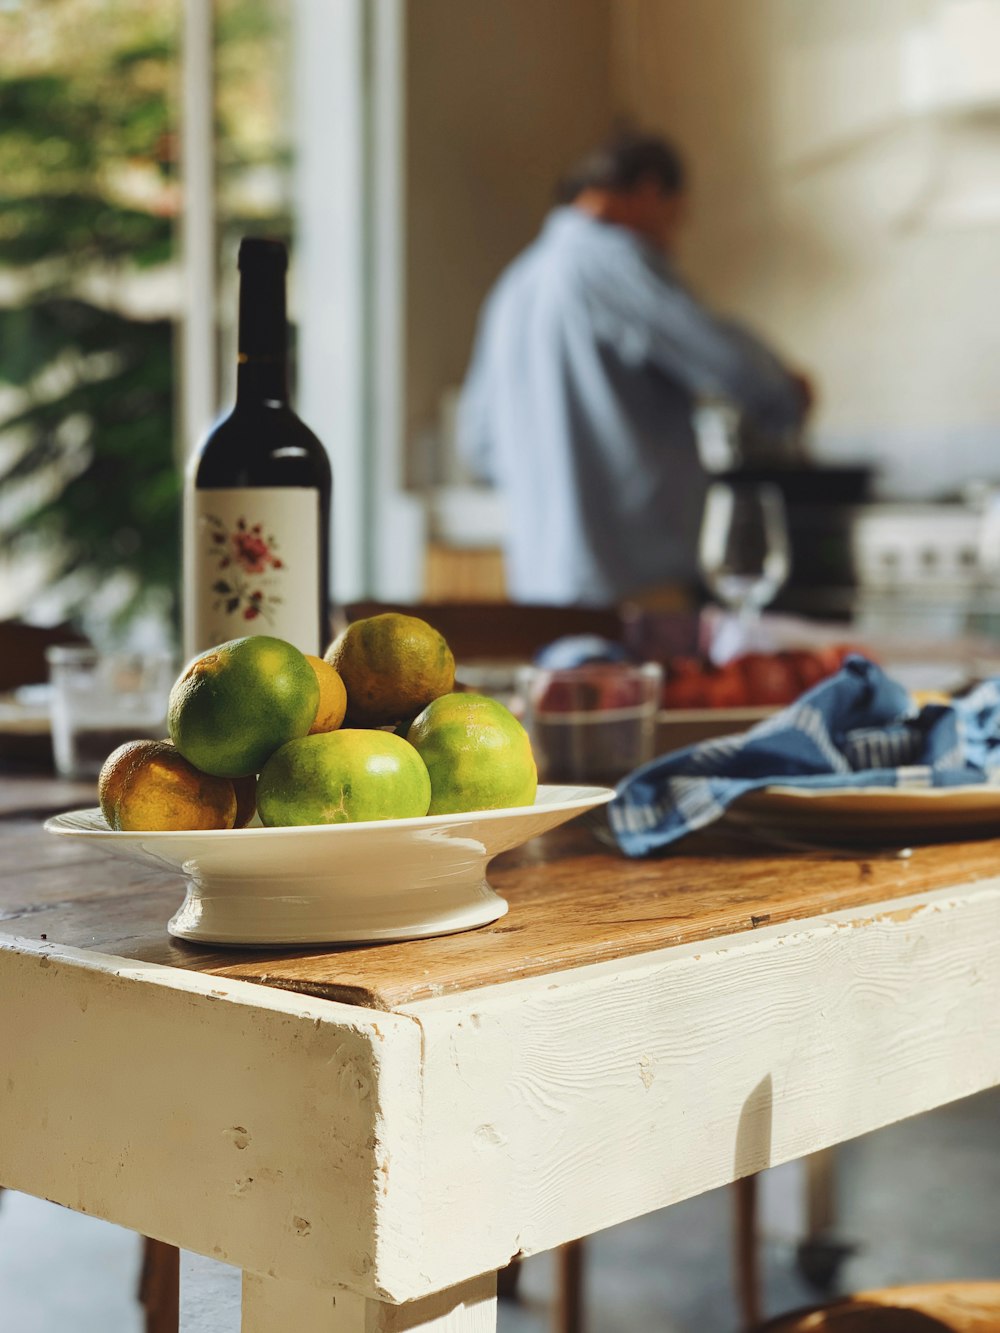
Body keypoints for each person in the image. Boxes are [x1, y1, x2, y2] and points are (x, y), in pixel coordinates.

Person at [457, 130, 813, 607]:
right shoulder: (613, 261)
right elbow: (730, 365)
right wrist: (785, 391)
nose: (673, 243)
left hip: (541, 585)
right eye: (676, 219)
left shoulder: (515, 285)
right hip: (634, 587)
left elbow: (478, 445)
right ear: (648, 191)